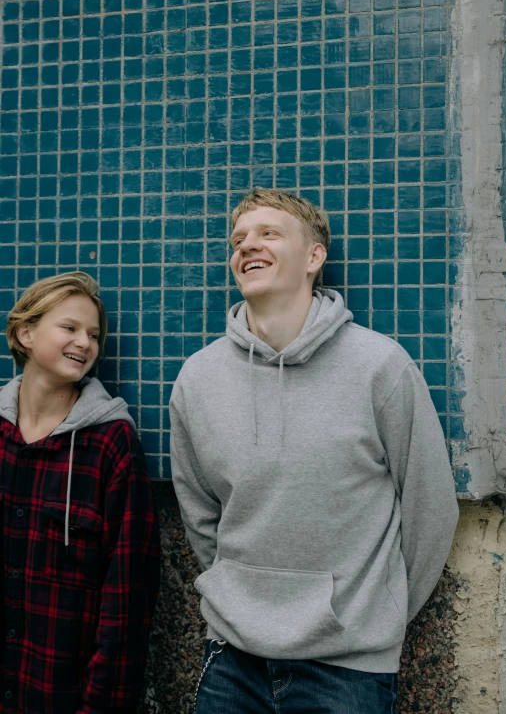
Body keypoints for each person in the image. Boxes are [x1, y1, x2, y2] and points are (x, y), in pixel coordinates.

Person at [170, 188, 459, 714]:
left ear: (314, 257)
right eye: (238, 239)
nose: (246, 246)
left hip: (347, 667)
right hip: (232, 659)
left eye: (268, 233)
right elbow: (199, 510)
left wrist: (380, 613)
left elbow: (430, 504)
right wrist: (234, 594)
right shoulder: (198, 378)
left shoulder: (379, 366)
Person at [0, 272, 161, 714]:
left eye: (93, 334)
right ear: (25, 332)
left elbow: (128, 595)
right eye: (69, 328)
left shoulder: (112, 444)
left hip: (60, 696)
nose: (86, 343)